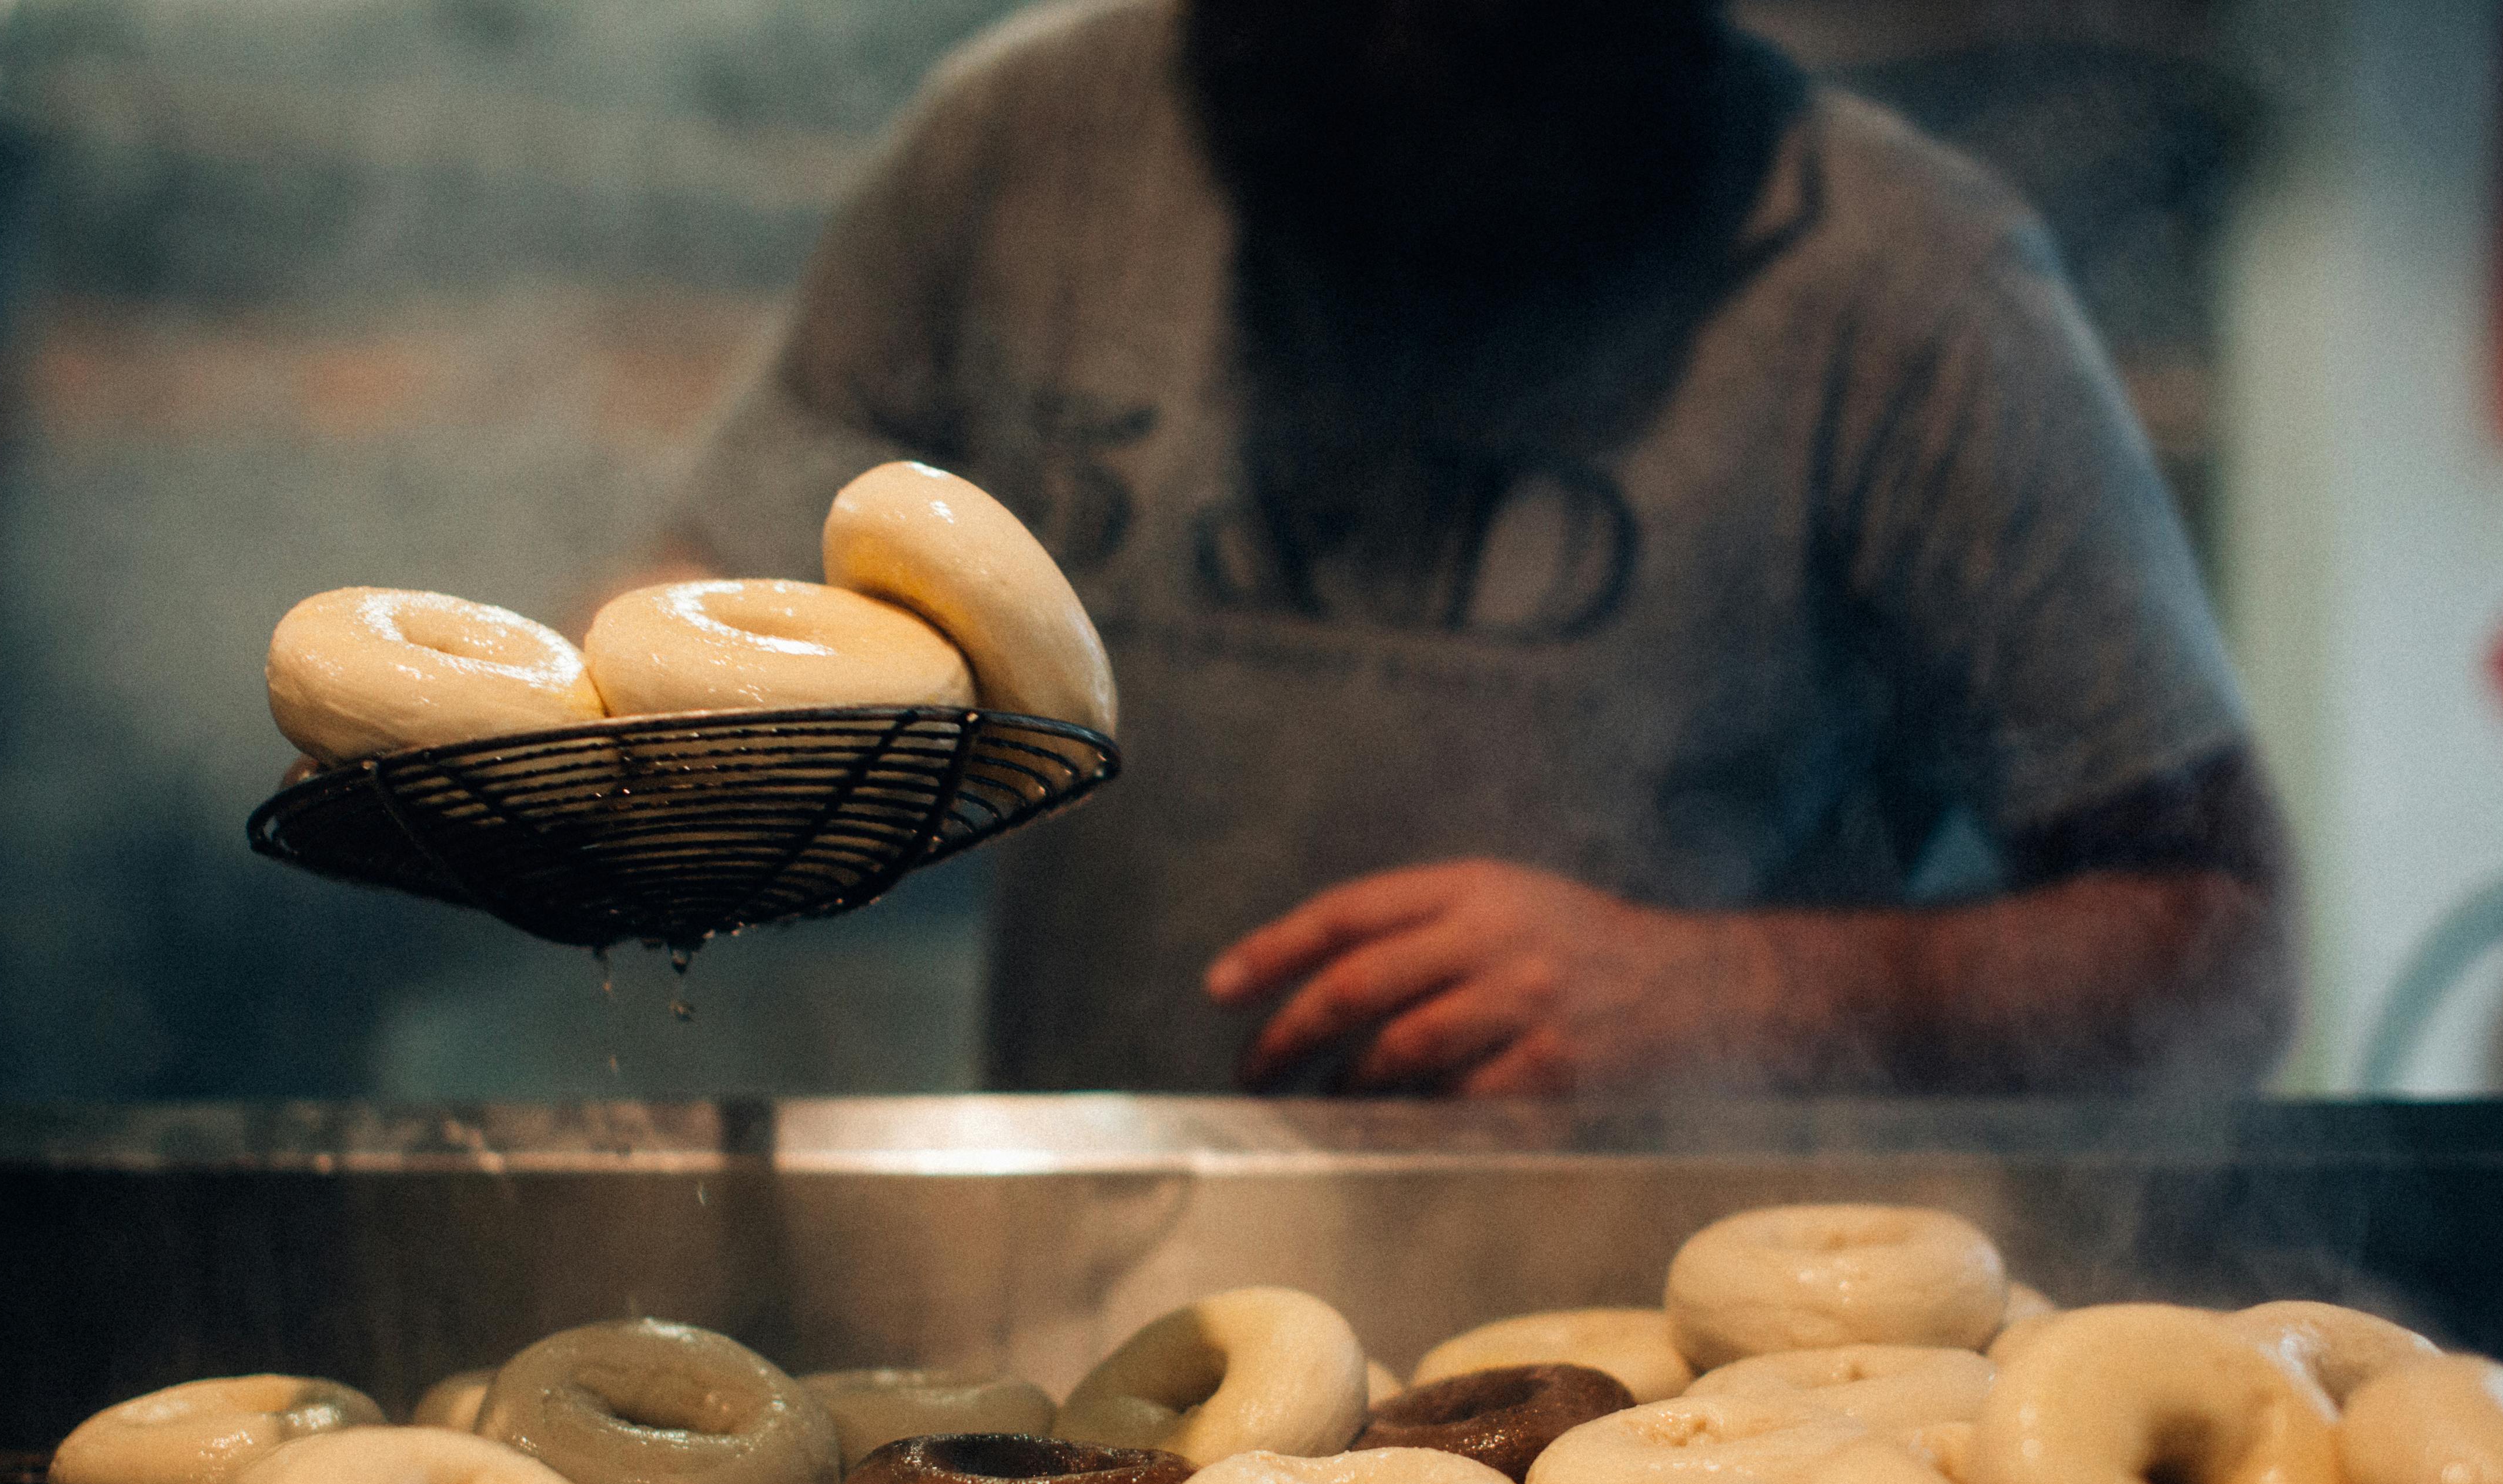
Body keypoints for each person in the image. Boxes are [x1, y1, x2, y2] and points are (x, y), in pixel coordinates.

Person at [659, 0, 2297, 1098]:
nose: (1390, 98)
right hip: (1102, 1305)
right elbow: (692, 595)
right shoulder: (1026, 150)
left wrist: (1737, 993)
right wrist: (635, 747)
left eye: (1462, 71)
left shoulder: (1906, 290)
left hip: (1672, 1373)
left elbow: (2226, 945)